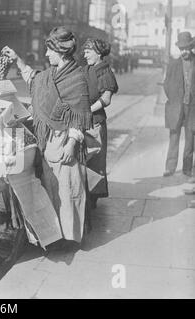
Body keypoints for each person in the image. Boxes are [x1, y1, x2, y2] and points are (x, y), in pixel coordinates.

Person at [2, 26, 93, 244]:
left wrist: (71, 145)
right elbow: (33, 80)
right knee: (52, 191)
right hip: (48, 141)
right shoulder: (49, 75)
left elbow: (79, 116)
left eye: (49, 50)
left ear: (60, 51)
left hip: (65, 143)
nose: (45, 55)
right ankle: (56, 236)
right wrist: (18, 60)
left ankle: (71, 238)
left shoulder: (77, 78)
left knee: (69, 191)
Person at [82, 39, 119, 209]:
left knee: (95, 162)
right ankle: (86, 195)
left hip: (95, 122)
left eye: (88, 52)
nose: (85, 55)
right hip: (84, 121)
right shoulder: (88, 68)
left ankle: (92, 199)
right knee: (85, 160)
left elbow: (106, 99)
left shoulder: (105, 72)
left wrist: (88, 110)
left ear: (98, 53)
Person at [163, 32, 195, 178]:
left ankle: (187, 169)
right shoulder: (174, 64)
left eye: (186, 48)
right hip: (177, 106)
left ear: (191, 47)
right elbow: (166, 84)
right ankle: (170, 167)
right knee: (174, 137)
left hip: (192, 108)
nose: (184, 52)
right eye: (181, 49)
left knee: (190, 139)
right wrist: (174, 98)